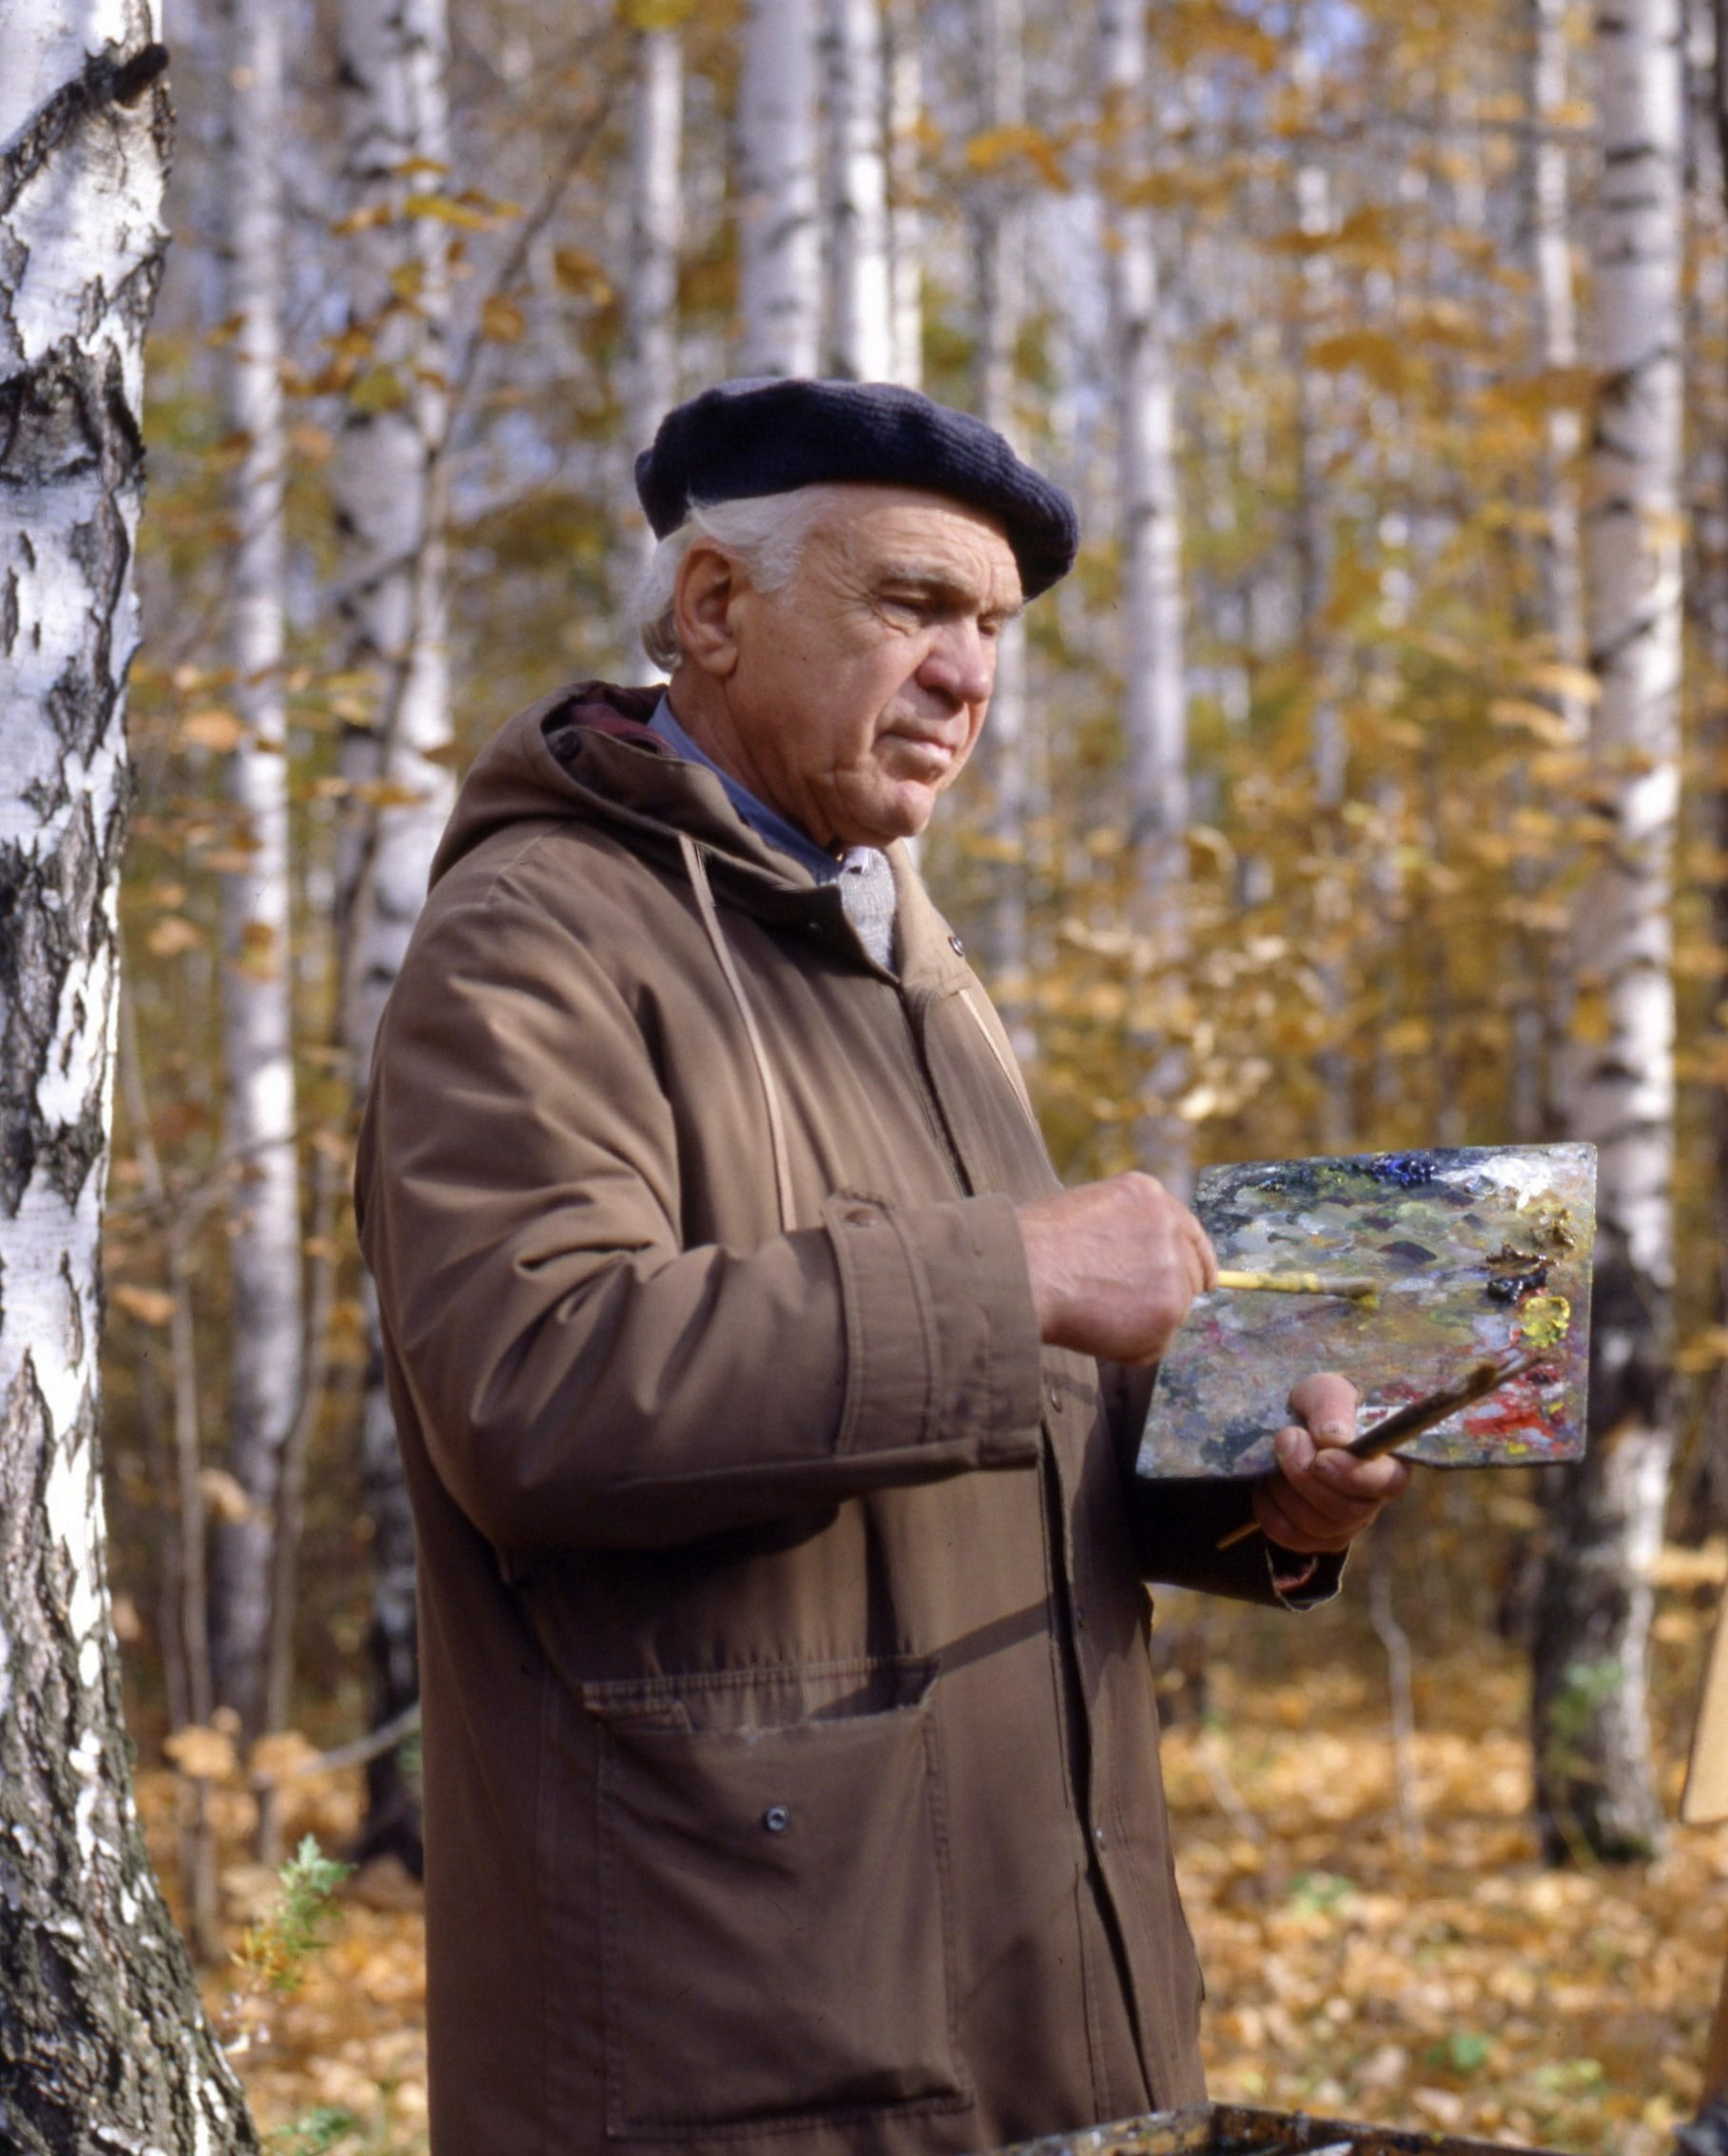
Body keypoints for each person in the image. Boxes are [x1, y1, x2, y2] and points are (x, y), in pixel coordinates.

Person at [355, 378, 1408, 2156]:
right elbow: (535, 1395)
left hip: (1043, 1991)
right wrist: (1016, 1274)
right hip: (735, 2035)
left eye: (991, 629)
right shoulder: (534, 932)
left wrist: (1256, 1495)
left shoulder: (910, 958)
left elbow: (997, 1420)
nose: (968, 676)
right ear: (711, 610)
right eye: (912, 604)